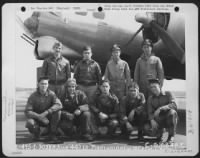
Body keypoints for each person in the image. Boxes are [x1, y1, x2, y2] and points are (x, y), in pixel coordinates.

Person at [24, 76, 62, 143]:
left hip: (48, 118)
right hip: (37, 119)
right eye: (42, 84)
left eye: (45, 84)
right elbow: (27, 111)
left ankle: (52, 134)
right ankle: (36, 135)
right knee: (30, 123)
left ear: (48, 85)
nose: (44, 86)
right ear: (38, 84)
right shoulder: (32, 96)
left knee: (58, 112)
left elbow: (59, 105)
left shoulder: (52, 94)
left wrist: (46, 112)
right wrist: (39, 117)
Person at [143, 78, 178, 144]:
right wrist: (152, 120)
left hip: (168, 117)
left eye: (155, 86)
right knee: (146, 128)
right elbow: (149, 112)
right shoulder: (150, 98)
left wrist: (161, 108)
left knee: (172, 113)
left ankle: (171, 136)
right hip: (158, 119)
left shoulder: (168, 94)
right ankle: (159, 134)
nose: (153, 89)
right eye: (151, 87)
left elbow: (174, 105)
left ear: (159, 86)